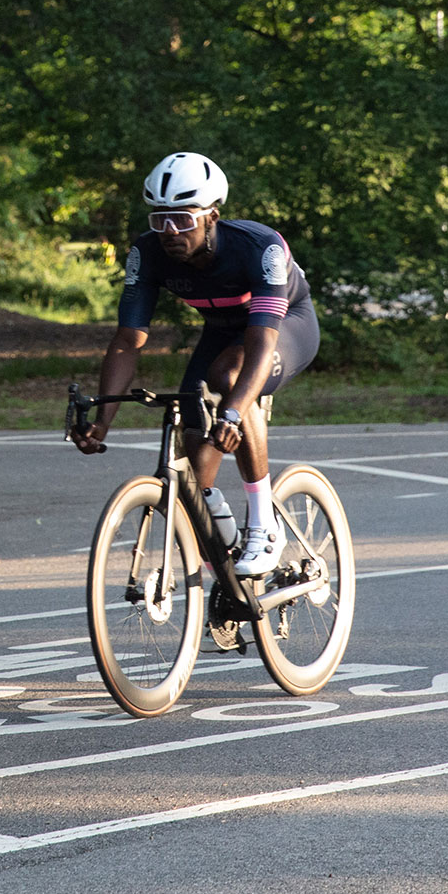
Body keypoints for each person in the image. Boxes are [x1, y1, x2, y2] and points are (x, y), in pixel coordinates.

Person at [70, 151, 319, 577]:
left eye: (183, 219)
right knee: (190, 446)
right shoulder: (147, 254)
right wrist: (103, 420)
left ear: (212, 217)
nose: (169, 231)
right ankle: (219, 549)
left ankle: (264, 524)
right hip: (223, 332)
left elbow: (260, 343)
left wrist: (235, 413)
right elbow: (129, 340)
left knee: (229, 380)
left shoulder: (260, 248)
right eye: (159, 219)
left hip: (282, 328)